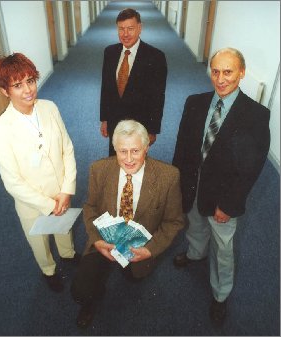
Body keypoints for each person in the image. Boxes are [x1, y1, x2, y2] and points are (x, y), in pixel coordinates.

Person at [172, 48, 270, 325]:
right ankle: (195, 253)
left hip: (223, 195)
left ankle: (220, 294)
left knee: (223, 247)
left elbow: (250, 170)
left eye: (228, 72)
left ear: (241, 73)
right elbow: (182, 148)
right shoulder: (195, 102)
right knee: (194, 223)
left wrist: (228, 204)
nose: (220, 78)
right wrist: (179, 183)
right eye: (215, 71)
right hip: (194, 181)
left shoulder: (256, 115)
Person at [71, 120, 184, 328]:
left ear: (147, 148)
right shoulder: (99, 169)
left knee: (134, 277)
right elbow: (90, 208)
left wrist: (150, 250)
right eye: (123, 151)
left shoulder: (169, 177)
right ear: (115, 149)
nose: (129, 159)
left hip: (139, 249)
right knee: (81, 291)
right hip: (105, 241)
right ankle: (90, 302)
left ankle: (132, 271)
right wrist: (96, 241)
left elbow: (174, 222)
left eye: (135, 151)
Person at [0, 53, 80, 293]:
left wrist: (66, 189)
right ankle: (48, 270)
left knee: (64, 230)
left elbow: (67, 149)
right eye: (17, 85)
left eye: (30, 80)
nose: (28, 90)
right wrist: (48, 204)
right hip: (32, 203)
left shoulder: (49, 107)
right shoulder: (0, 130)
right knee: (40, 244)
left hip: (61, 192)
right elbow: (12, 182)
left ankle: (68, 255)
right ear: (5, 91)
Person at [100, 8, 167, 156]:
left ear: (140, 28)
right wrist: (104, 119)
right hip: (114, 121)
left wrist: (152, 129)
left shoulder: (156, 57)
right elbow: (106, 88)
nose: (125, 34)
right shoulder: (109, 52)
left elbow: (158, 97)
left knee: (136, 161)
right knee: (115, 157)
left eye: (130, 28)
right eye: (121, 29)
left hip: (140, 123)